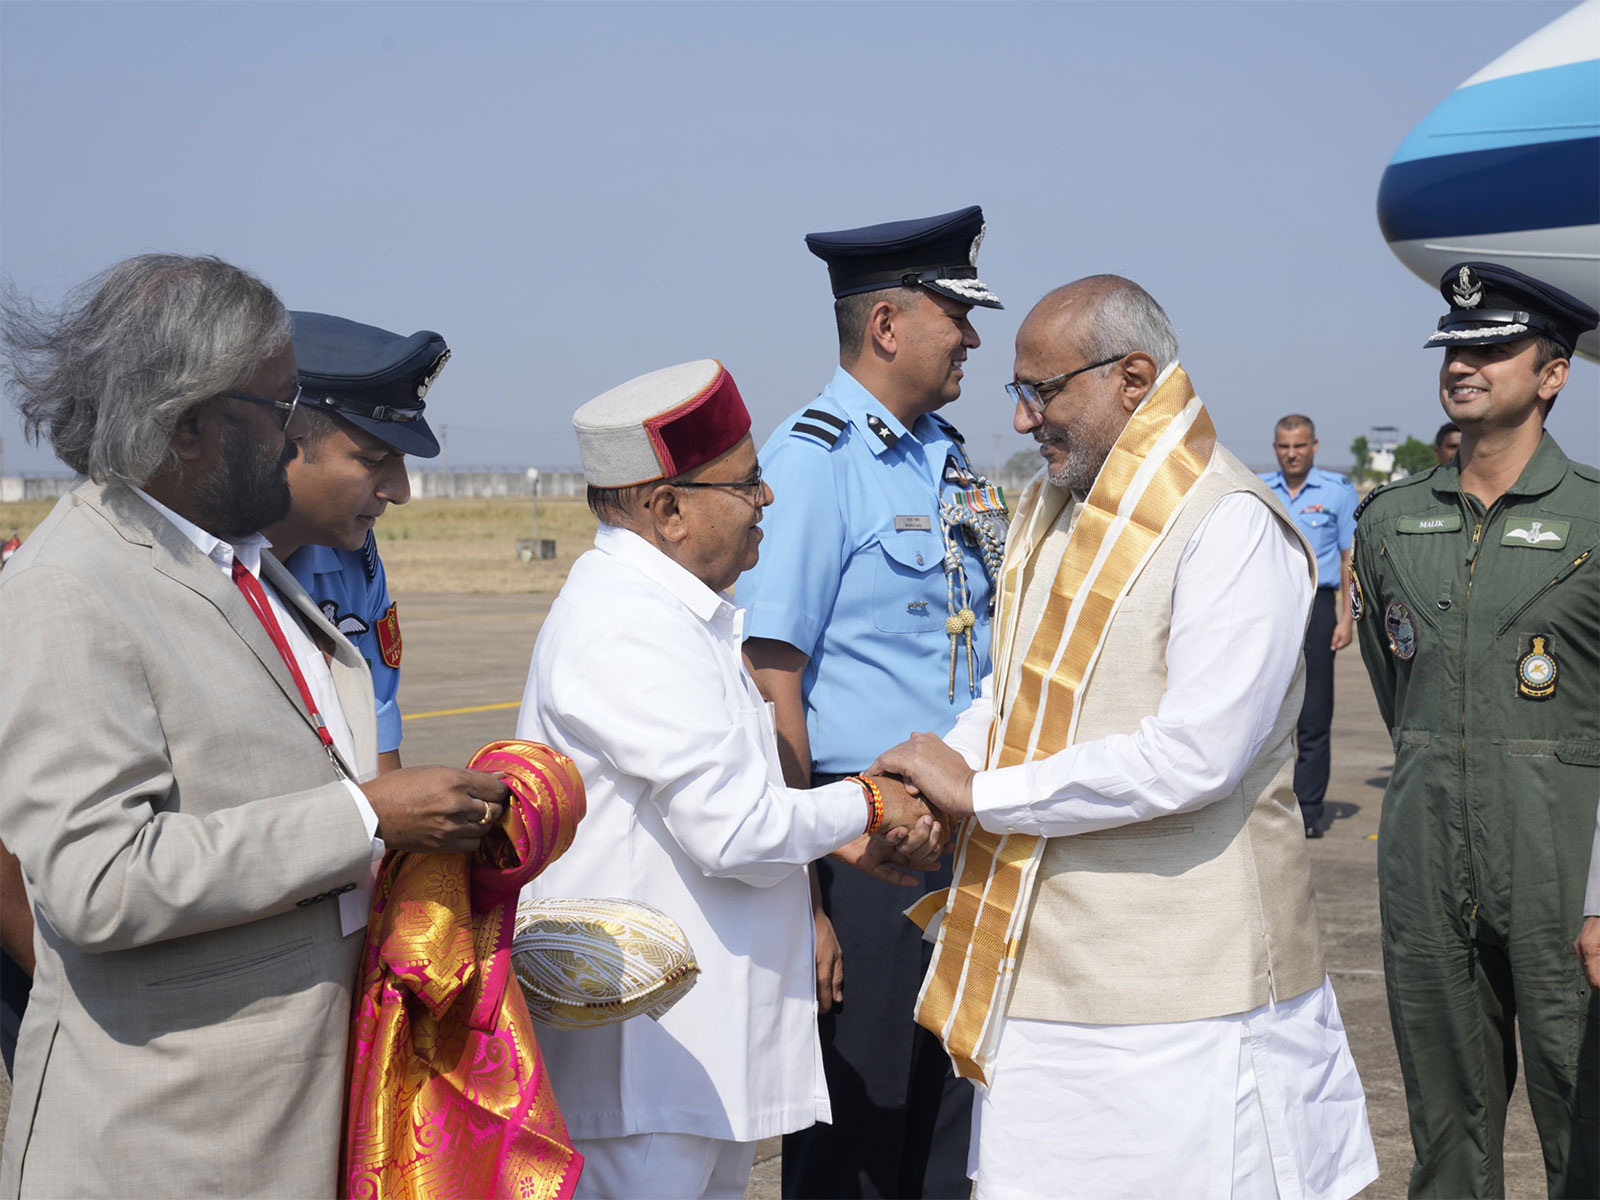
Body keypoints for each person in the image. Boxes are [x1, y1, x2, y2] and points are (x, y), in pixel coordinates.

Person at [0, 253, 512, 1196]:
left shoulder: (237, 563)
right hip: (172, 1140)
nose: (294, 439)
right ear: (188, 424)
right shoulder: (70, 588)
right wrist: (365, 818)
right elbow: (95, 879)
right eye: (279, 411)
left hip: (289, 1117)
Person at [874, 276, 1378, 1200]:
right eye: (1018, 394)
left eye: (1043, 392)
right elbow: (1010, 693)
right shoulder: (1049, 509)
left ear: (1134, 377)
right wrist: (928, 783)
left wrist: (975, 796)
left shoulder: (1227, 524)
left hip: (1184, 1008)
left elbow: (1194, 757)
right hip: (1042, 985)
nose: (1025, 422)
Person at [514, 359, 945, 1200]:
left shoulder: (673, 613)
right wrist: (867, 799)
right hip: (648, 1069)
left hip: (688, 1061)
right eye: (748, 483)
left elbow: (731, 806)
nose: (769, 500)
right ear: (667, 509)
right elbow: (735, 828)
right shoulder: (627, 627)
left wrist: (841, 834)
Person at [738, 205, 1006, 1199]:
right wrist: (802, 900)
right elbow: (773, 683)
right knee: (858, 1138)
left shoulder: (946, 454)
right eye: (955, 314)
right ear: (889, 325)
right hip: (865, 848)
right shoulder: (812, 461)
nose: (972, 337)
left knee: (947, 1129)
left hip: (958, 841)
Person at [1352, 261, 1599, 1197]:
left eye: (1493, 347)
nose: (1465, 363)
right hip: (1423, 861)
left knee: (1586, 1112)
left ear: (1553, 373)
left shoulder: (1596, 517)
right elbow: (1396, 687)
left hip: (1562, 864)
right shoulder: (1390, 521)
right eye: (1456, 346)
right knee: (1446, 1132)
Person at [267, 309, 452, 772]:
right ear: (284, 438)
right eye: (373, 460)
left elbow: (375, 734)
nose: (401, 492)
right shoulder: (193, 562)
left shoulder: (352, 560)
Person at [1260, 414, 1357, 837]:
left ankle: (1310, 809)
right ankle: (1266, 805)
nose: (1291, 454)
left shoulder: (1337, 492)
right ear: (1275, 447)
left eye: (1299, 446)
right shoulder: (1260, 489)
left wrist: (1347, 617)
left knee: (1314, 715)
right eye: (1284, 446)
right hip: (1269, 609)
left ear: (1314, 445)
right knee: (1264, 712)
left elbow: (1349, 558)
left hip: (1317, 607)